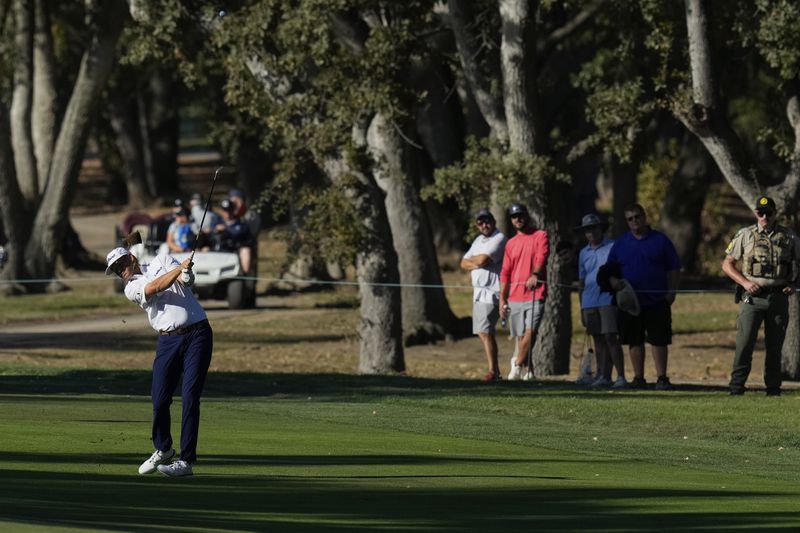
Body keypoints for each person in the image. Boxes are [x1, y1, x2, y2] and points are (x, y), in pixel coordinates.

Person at [105, 244, 213, 477]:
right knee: (160, 399)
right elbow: (155, 286)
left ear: (132, 258)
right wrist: (180, 269)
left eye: (122, 264)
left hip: (198, 334)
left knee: (190, 396)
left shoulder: (162, 260)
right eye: (116, 269)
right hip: (168, 341)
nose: (121, 270)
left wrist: (186, 273)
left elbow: (186, 282)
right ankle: (163, 448)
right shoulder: (131, 288)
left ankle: (186, 461)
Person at [722, 196, 800, 396]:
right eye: (760, 213)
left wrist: (794, 283)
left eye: (768, 213)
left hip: (778, 297)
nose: (764, 216)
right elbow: (727, 264)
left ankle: (773, 389)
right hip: (751, 298)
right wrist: (745, 283)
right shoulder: (745, 235)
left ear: (775, 214)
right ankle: (736, 387)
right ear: (755, 213)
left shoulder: (789, 237)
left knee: (774, 347)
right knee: (745, 343)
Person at [606, 203, 681, 390]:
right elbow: (610, 270)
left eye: (637, 217)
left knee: (659, 340)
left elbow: (674, 268)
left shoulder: (660, 241)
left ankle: (662, 378)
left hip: (657, 300)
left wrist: (671, 293)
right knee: (634, 340)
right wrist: (614, 282)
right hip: (631, 302)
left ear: (644, 217)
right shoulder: (621, 243)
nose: (634, 221)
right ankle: (639, 378)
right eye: (630, 219)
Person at [499, 203, 549, 381]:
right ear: (511, 220)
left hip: (536, 293)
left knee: (531, 332)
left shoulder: (540, 235)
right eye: (514, 217)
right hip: (515, 295)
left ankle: (517, 365)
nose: (517, 219)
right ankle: (529, 373)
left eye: (520, 215)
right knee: (521, 337)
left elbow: (541, 257)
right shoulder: (510, 243)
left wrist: (535, 274)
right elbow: (505, 273)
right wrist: (502, 300)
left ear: (526, 216)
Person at [577, 214, 627, 389]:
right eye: (587, 230)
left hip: (607, 298)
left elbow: (620, 271)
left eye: (594, 228)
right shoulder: (583, 253)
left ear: (601, 229)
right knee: (597, 339)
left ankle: (620, 376)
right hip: (589, 301)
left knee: (611, 337)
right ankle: (602, 375)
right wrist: (581, 306)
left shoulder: (612, 246)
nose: (591, 232)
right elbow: (582, 282)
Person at [460, 208, 507, 381]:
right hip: (478, 293)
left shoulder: (499, 238)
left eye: (487, 221)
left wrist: (477, 261)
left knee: (485, 331)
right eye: (480, 223)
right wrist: (477, 262)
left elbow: (483, 260)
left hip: (492, 291)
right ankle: (495, 371)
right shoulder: (479, 240)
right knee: (483, 331)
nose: (484, 225)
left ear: (493, 222)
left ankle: (493, 372)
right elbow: (463, 263)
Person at [216, 198, 255, 274]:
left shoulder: (241, 224)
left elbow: (244, 236)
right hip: (218, 250)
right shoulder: (217, 222)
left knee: (245, 251)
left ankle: (246, 274)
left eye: (229, 211)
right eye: (225, 211)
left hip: (235, 250)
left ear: (233, 210)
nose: (227, 214)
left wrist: (226, 229)